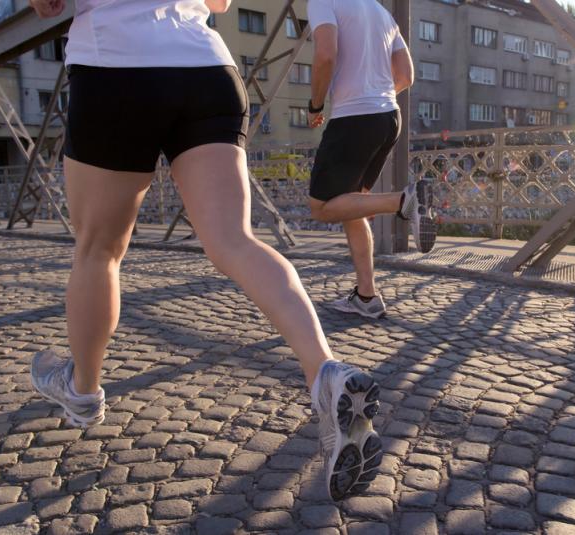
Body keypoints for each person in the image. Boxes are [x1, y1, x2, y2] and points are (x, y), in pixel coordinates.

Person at [27, 0, 382, 501]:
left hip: (115, 66)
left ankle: (81, 391)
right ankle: (325, 373)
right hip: (206, 70)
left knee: (98, 250)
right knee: (234, 240)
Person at [306, 0, 435, 320]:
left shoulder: (323, 1)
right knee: (352, 206)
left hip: (354, 118)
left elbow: (325, 55)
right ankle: (367, 297)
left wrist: (315, 106)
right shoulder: (381, 12)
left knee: (321, 207)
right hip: (388, 116)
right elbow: (406, 75)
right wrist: (375, 95)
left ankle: (404, 200)